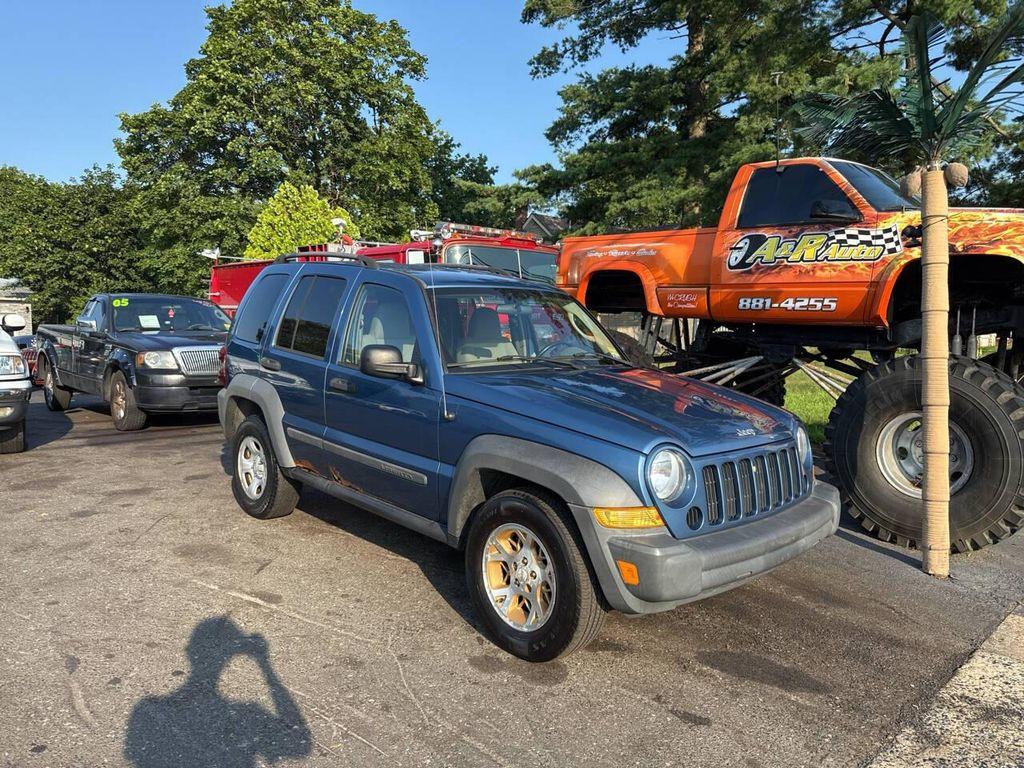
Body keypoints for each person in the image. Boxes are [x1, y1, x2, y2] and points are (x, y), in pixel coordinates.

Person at [124, 616, 311, 768]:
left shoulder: (145, 711)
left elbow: (133, 754)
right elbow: (299, 745)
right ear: (231, 657)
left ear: (189, 652)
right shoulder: (247, 715)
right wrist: (264, 664)